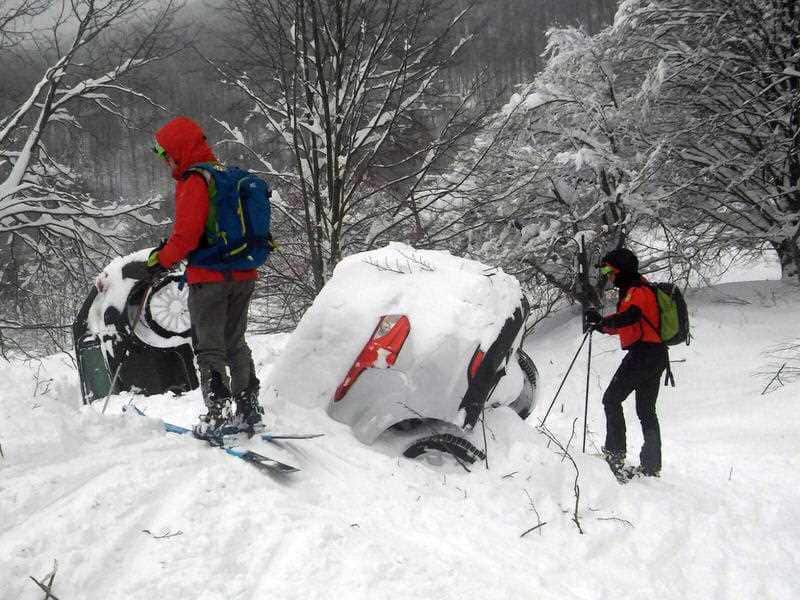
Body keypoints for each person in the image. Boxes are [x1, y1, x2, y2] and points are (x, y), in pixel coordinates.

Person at [127, 116, 265, 439]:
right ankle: (249, 409)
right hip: (244, 273)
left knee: (209, 347)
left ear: (179, 150)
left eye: (166, 155)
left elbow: (186, 237)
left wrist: (159, 260)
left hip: (209, 278)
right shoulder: (226, 177)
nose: (166, 162)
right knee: (236, 342)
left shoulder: (195, 181)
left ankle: (217, 416)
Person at [584, 247, 666, 477]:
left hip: (644, 356)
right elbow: (630, 323)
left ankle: (615, 456)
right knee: (646, 410)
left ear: (621, 270)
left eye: (610, 269)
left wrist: (602, 322)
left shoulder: (637, 290)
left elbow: (631, 317)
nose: (608, 275)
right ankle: (651, 465)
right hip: (654, 354)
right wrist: (603, 326)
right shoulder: (637, 287)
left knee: (611, 399)